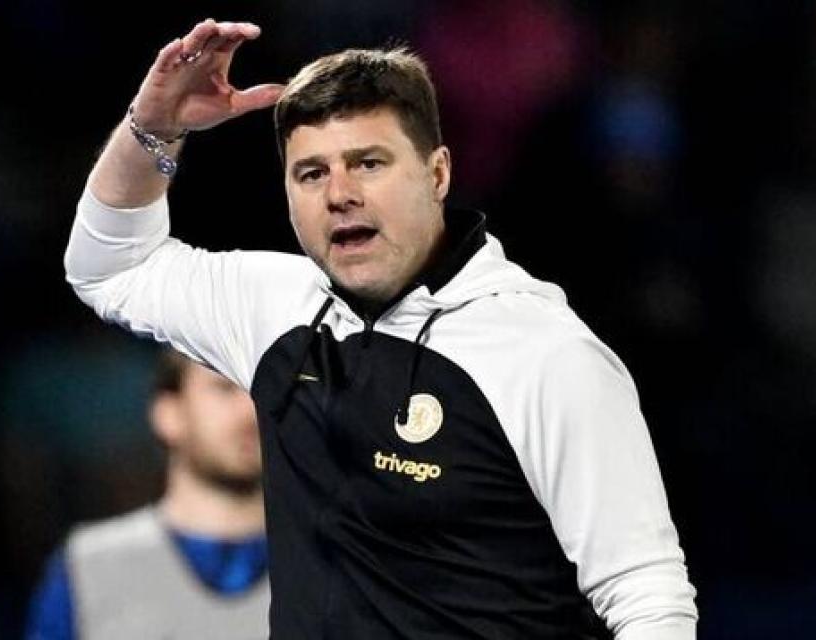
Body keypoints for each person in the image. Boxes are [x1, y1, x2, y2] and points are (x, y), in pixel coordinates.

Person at [64, 18, 698, 639]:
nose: (339, 194)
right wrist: (154, 128)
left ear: (437, 173)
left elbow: (647, 595)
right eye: (311, 173)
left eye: (368, 163)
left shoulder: (544, 353)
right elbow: (109, 267)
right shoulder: (274, 308)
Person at [24, 349, 270, 640]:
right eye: (224, 388)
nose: (249, 410)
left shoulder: (317, 563)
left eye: (264, 390)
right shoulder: (89, 567)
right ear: (168, 413)